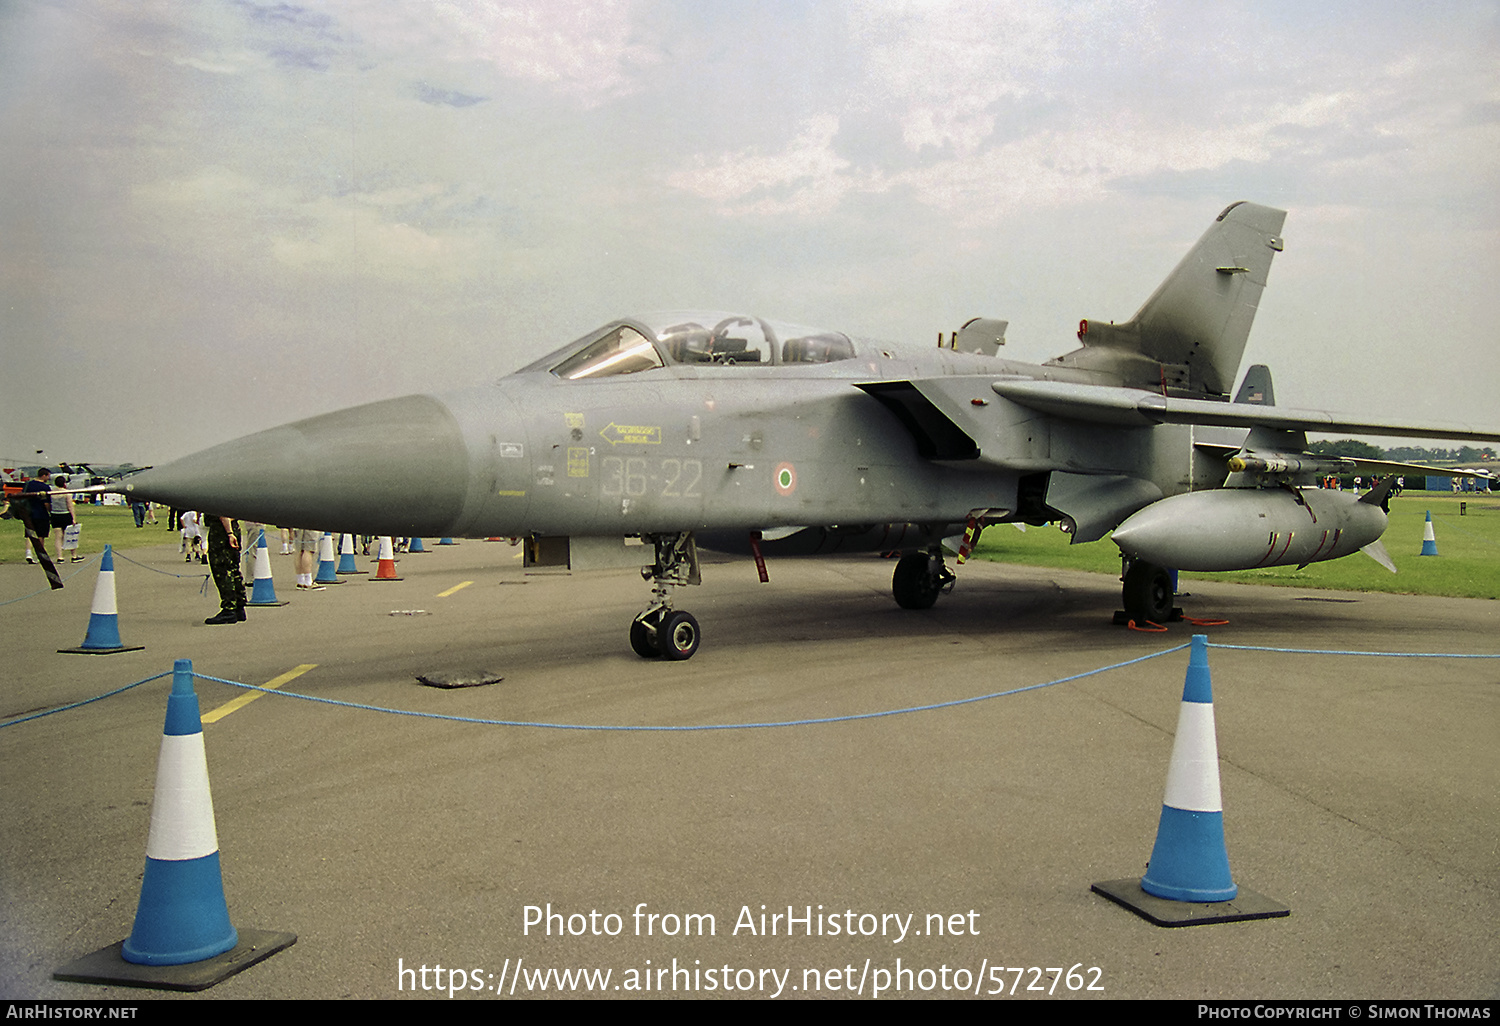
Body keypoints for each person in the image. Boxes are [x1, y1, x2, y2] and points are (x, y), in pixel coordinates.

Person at [205, 514, 245, 624]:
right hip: (233, 527)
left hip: (221, 531)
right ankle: (238, 606)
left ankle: (229, 609)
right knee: (233, 568)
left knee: (222, 570)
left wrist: (229, 533)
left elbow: (222, 512)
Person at [22, 469, 51, 563]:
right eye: (48, 476)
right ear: (44, 476)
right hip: (41, 513)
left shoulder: (27, 485)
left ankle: (28, 553)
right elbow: (46, 503)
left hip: (28, 513)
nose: (48, 478)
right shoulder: (45, 487)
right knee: (40, 535)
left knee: (29, 534)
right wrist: (50, 510)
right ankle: (40, 555)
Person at [50, 474, 79, 563]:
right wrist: (73, 518)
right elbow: (70, 506)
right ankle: (73, 555)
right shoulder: (67, 493)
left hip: (55, 514)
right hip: (65, 514)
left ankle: (60, 557)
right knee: (70, 536)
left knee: (58, 537)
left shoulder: (52, 492)